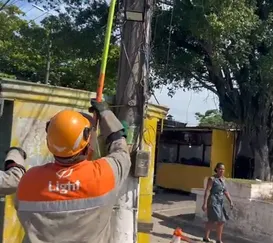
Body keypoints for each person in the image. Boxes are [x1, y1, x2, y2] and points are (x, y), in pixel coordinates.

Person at [15, 100, 131, 243]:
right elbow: (121, 151)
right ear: (87, 144)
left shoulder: (29, 181)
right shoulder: (104, 174)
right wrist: (106, 113)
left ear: (49, 142)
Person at [202, 162, 234, 243]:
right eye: (220, 169)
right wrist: (205, 203)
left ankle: (206, 237)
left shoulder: (223, 179)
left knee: (211, 220)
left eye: (223, 169)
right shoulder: (212, 179)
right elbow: (207, 191)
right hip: (213, 201)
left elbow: (225, 191)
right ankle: (219, 240)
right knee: (221, 220)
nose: (221, 171)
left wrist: (230, 201)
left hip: (220, 202)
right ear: (216, 169)